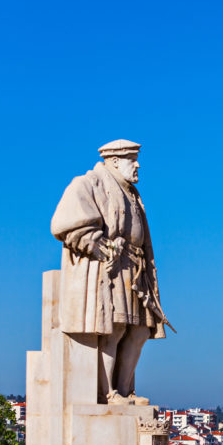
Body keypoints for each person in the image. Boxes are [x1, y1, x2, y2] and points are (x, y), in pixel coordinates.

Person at [50, 139, 172, 404]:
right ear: (115, 161)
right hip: (112, 267)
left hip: (135, 269)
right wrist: (96, 243)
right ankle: (108, 393)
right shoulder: (89, 183)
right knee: (114, 329)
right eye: (132, 159)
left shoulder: (131, 193)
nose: (138, 165)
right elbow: (64, 223)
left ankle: (125, 389)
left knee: (140, 330)